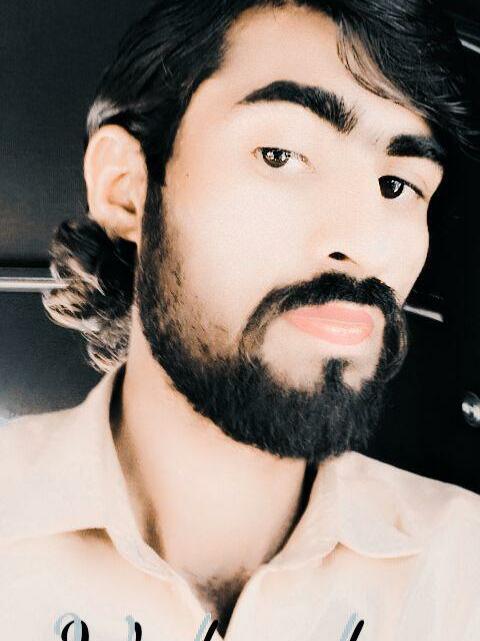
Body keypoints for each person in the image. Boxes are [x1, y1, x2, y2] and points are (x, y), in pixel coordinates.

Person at [1, 1, 480, 639]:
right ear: (126, 188)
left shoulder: (464, 566)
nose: (363, 243)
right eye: (280, 154)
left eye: (397, 185)